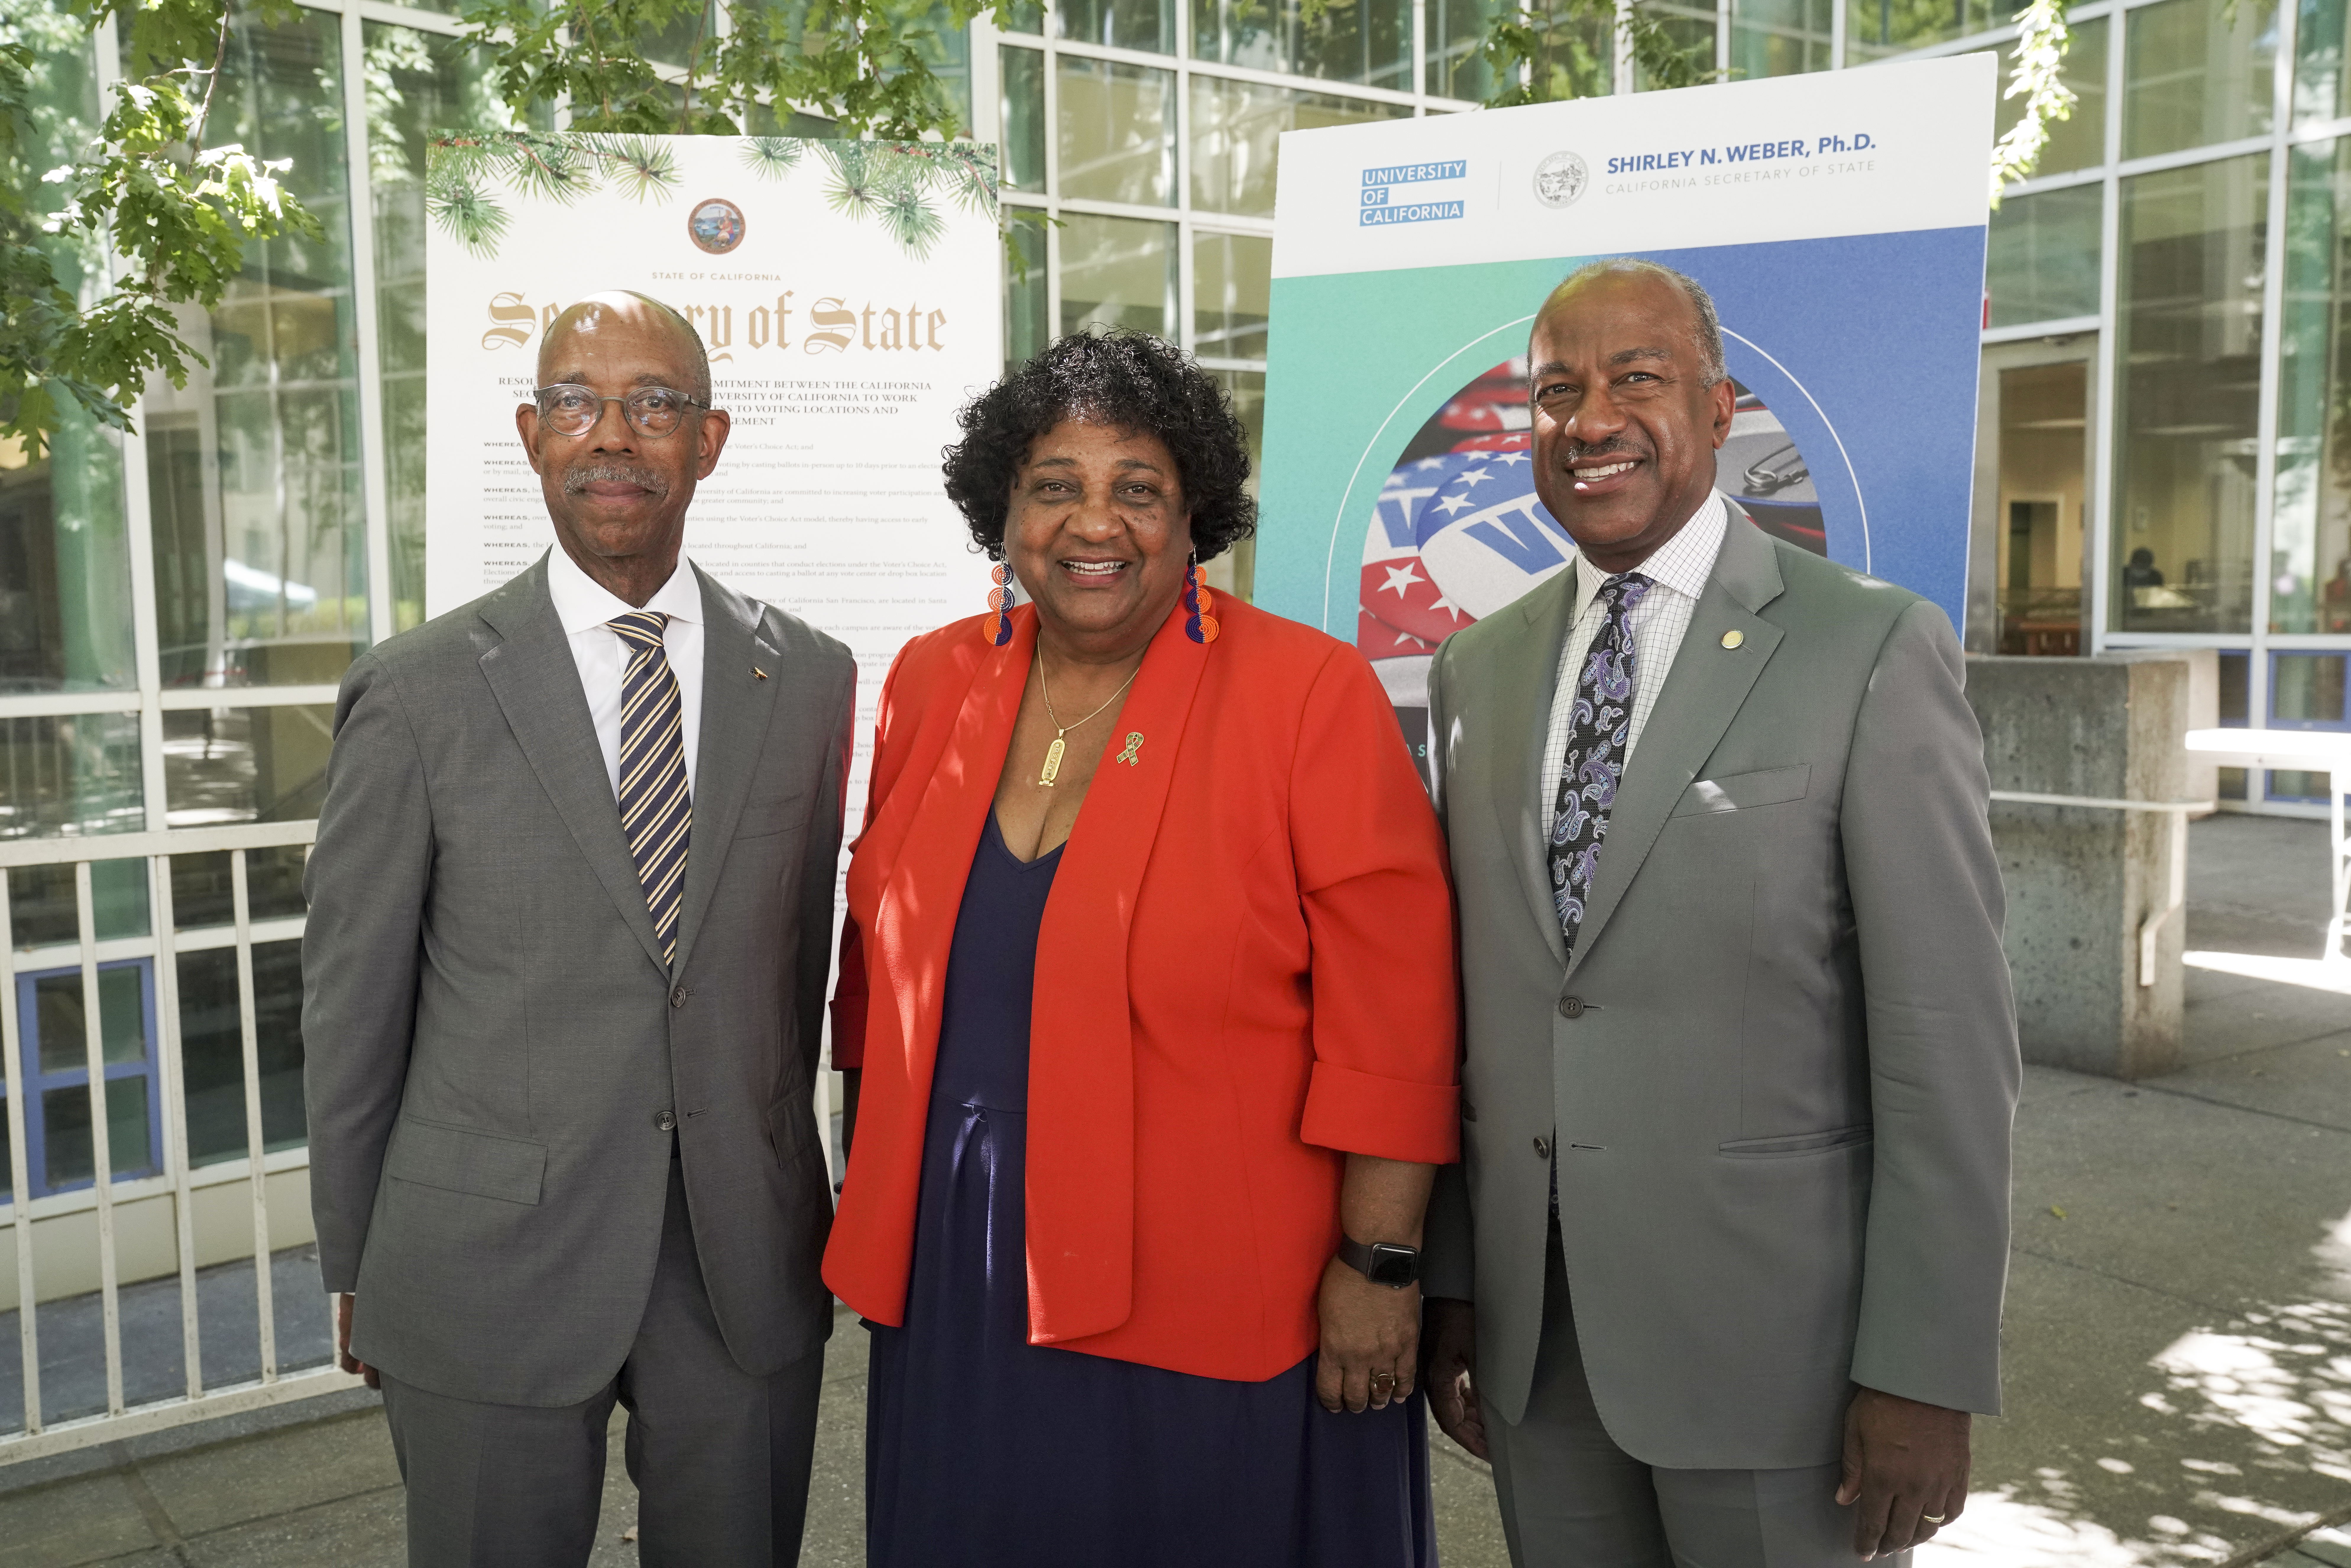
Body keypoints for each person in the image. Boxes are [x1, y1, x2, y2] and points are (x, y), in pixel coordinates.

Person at [821, 328, 1461, 1567]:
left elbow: (1396, 1017)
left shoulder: (1306, 698)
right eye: (1053, 485)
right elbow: (874, 976)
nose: (1090, 522)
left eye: (1136, 489)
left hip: (1220, 1290)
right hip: (964, 1274)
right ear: (1001, 510)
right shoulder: (929, 682)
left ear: (1193, 515)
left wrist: (1378, 1267)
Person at [1419, 258, 2019, 1567]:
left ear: (1714, 405)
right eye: (1555, 391)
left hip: (1781, 1364)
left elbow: (1946, 1047)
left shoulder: (1866, 647)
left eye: (1635, 379)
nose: (1590, 420)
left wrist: (1924, 1366)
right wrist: (1454, 1278)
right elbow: (1478, 1015)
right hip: (1540, 1348)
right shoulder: (1475, 668)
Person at [303, 291, 854, 1567]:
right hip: (482, 1259)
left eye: (654, 404)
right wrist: (358, 1257)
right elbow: (352, 1001)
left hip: (739, 1258)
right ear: (531, 433)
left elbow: (794, 970)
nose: (614, 434)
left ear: (708, 441)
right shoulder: (419, 689)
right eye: (575, 402)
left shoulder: (812, 677)